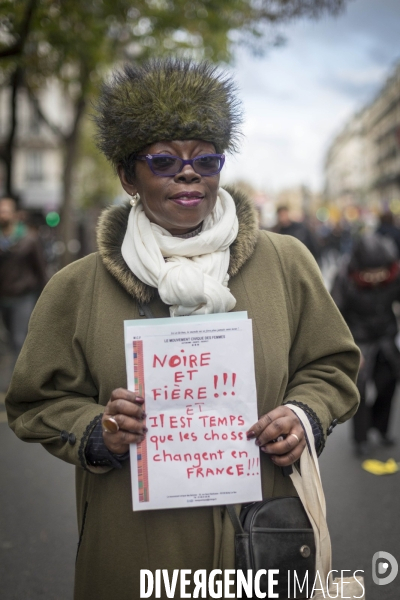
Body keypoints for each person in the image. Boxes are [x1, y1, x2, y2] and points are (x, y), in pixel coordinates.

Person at [6, 59, 360, 600]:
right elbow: (33, 402)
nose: (189, 174)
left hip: (260, 540)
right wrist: (99, 433)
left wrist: (305, 414)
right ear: (128, 175)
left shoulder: (286, 263)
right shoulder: (77, 287)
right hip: (134, 551)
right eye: (165, 160)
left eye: (206, 159)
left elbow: (331, 365)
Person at [331, 233, 400, 456]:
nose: (375, 277)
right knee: (358, 391)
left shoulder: (394, 275)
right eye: (369, 273)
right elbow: (334, 314)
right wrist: (349, 350)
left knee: (388, 383)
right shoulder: (344, 277)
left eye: (379, 272)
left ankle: (380, 428)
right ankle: (360, 438)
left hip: (386, 336)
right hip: (357, 340)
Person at [0, 197, 47, 365]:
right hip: (3, 297)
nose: (2, 214)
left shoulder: (29, 239)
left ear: (14, 215)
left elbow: (41, 269)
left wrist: (45, 297)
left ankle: (16, 383)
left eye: (6, 211)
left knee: (19, 340)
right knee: (6, 341)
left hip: (23, 297)